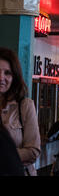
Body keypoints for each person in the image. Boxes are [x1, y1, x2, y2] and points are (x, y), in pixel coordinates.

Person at [0, 47, 40, 176]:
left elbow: (33, 151)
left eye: (7, 73)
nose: (1, 78)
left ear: (14, 76)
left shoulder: (25, 106)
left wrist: (5, 156)